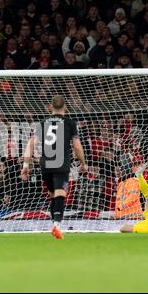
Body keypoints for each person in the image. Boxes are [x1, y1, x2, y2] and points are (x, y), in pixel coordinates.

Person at [21, 95, 88, 239]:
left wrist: (26, 165)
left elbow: (31, 144)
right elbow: (76, 145)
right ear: (65, 107)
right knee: (60, 194)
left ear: (50, 107)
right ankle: (57, 225)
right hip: (61, 164)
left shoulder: (43, 123)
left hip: (45, 165)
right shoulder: (70, 123)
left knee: (53, 196)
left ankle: (54, 224)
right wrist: (83, 163)